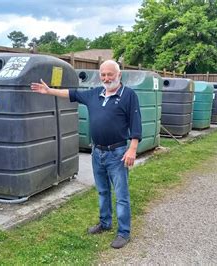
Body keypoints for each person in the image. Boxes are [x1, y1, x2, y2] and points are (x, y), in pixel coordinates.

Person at [30, 60, 142, 249]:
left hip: (118, 153)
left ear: (119, 75)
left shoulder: (128, 95)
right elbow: (72, 94)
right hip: (97, 152)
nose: (106, 78)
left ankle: (124, 232)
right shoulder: (94, 94)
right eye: (103, 74)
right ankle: (105, 223)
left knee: (121, 194)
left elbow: (136, 122)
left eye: (110, 74)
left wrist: (132, 148)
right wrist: (49, 91)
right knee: (102, 191)